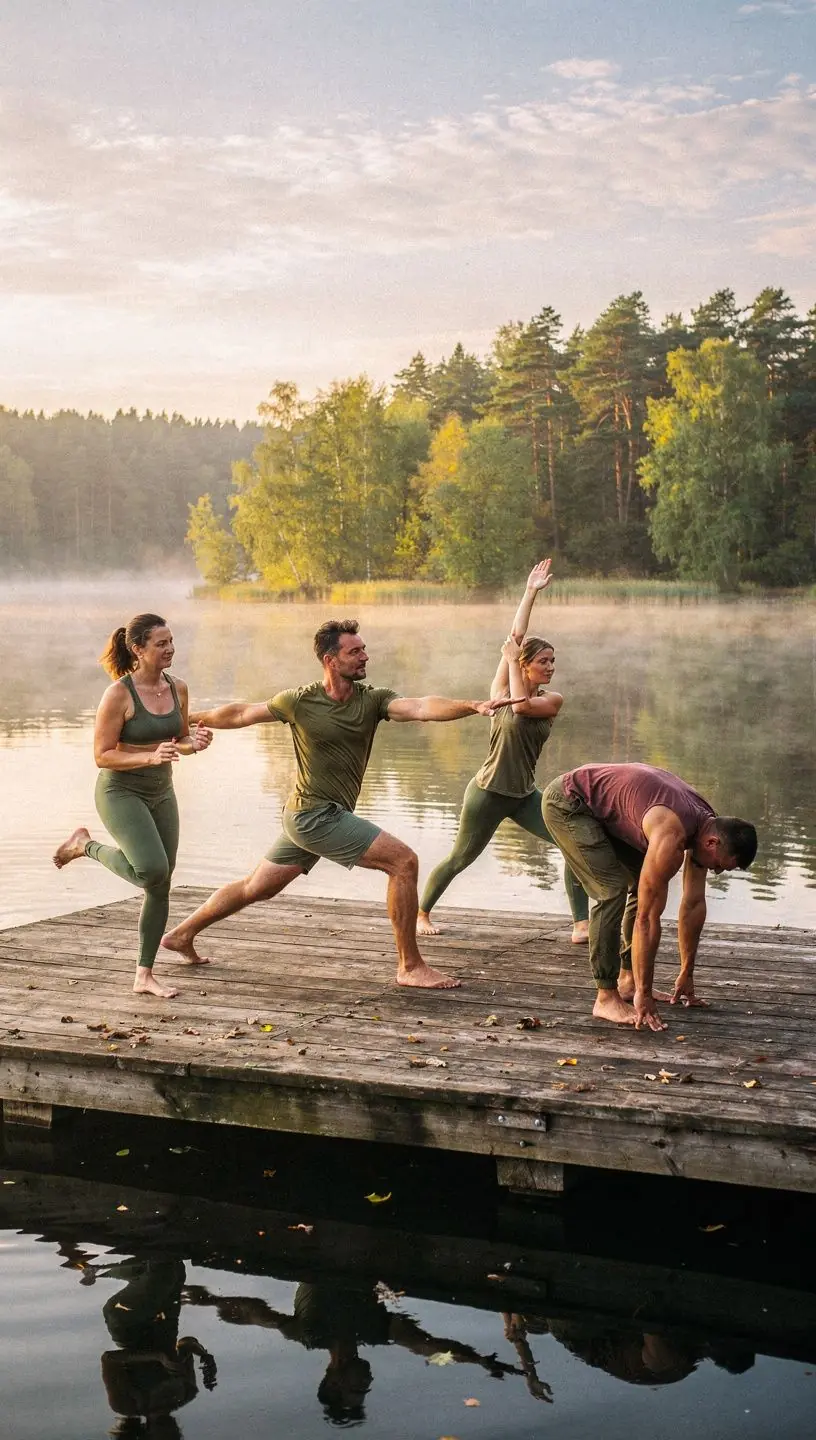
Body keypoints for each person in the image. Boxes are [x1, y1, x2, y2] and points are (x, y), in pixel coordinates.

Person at [161, 618, 501, 989]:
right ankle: (410, 966)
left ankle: (181, 934)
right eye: (354, 651)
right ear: (330, 659)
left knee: (255, 887)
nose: (364, 657)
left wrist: (472, 705)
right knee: (403, 862)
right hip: (311, 815)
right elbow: (242, 713)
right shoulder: (300, 701)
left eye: (363, 649)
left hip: (315, 816)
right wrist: (183, 720)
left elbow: (419, 706)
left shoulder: (372, 699)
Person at [417, 560, 589, 941]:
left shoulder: (551, 700)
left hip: (524, 795)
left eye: (553, 661)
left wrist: (515, 658)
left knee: (573, 844)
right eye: (543, 661)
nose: (551, 667)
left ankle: (581, 925)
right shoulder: (500, 693)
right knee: (461, 858)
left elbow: (523, 707)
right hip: (488, 793)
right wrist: (529, 593)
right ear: (527, 666)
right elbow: (514, 641)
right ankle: (421, 913)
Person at [52, 613, 213, 999]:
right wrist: (148, 757)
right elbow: (102, 756)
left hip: (162, 791)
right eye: (161, 643)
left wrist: (197, 742)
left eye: (172, 640)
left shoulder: (178, 688)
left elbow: (181, 741)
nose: (171, 648)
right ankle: (84, 846)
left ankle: (144, 974)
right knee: (151, 871)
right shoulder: (118, 695)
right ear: (138, 649)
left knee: (162, 881)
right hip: (120, 792)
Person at [541, 762, 757, 1030]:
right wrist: (647, 992)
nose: (716, 871)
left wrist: (687, 971)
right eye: (720, 865)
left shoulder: (707, 827)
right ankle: (606, 997)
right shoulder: (672, 835)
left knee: (639, 884)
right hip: (569, 802)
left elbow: (693, 903)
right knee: (611, 891)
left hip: (601, 809)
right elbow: (647, 917)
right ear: (712, 844)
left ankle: (629, 980)